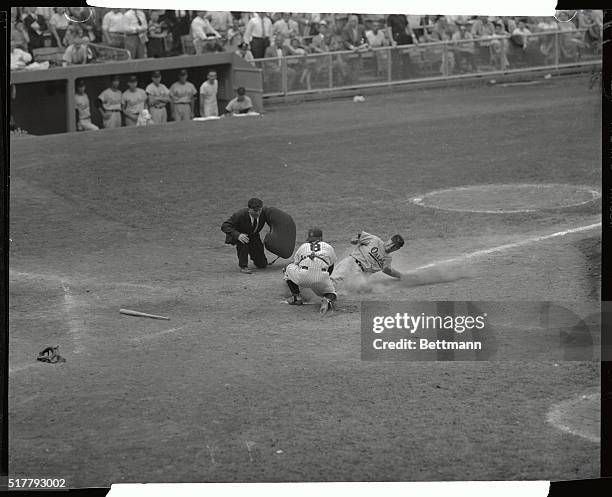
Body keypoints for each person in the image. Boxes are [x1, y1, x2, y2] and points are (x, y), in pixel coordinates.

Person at [283, 228, 338, 315]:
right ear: (321, 238)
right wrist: (326, 279)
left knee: (288, 268)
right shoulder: (328, 247)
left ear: (309, 239)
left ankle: (297, 298)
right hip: (322, 276)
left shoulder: (303, 246)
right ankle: (327, 300)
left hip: (304, 276)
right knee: (332, 294)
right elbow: (331, 266)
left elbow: (296, 264)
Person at [331, 231, 405, 292]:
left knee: (353, 288)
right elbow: (358, 236)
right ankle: (326, 293)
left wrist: (401, 276)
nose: (391, 246)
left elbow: (388, 271)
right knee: (335, 279)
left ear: (397, 249)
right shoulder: (374, 240)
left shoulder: (387, 259)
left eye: (394, 246)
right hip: (351, 263)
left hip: (361, 274)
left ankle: (331, 297)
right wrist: (354, 240)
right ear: (389, 239)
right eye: (391, 242)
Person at [221, 197, 270, 274]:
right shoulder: (239, 215)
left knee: (262, 264)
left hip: (254, 235)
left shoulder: (264, 213)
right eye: (255, 211)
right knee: (244, 241)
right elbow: (225, 226)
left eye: (259, 210)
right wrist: (237, 235)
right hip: (241, 235)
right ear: (249, 209)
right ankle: (243, 266)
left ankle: (258, 259)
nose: (257, 213)